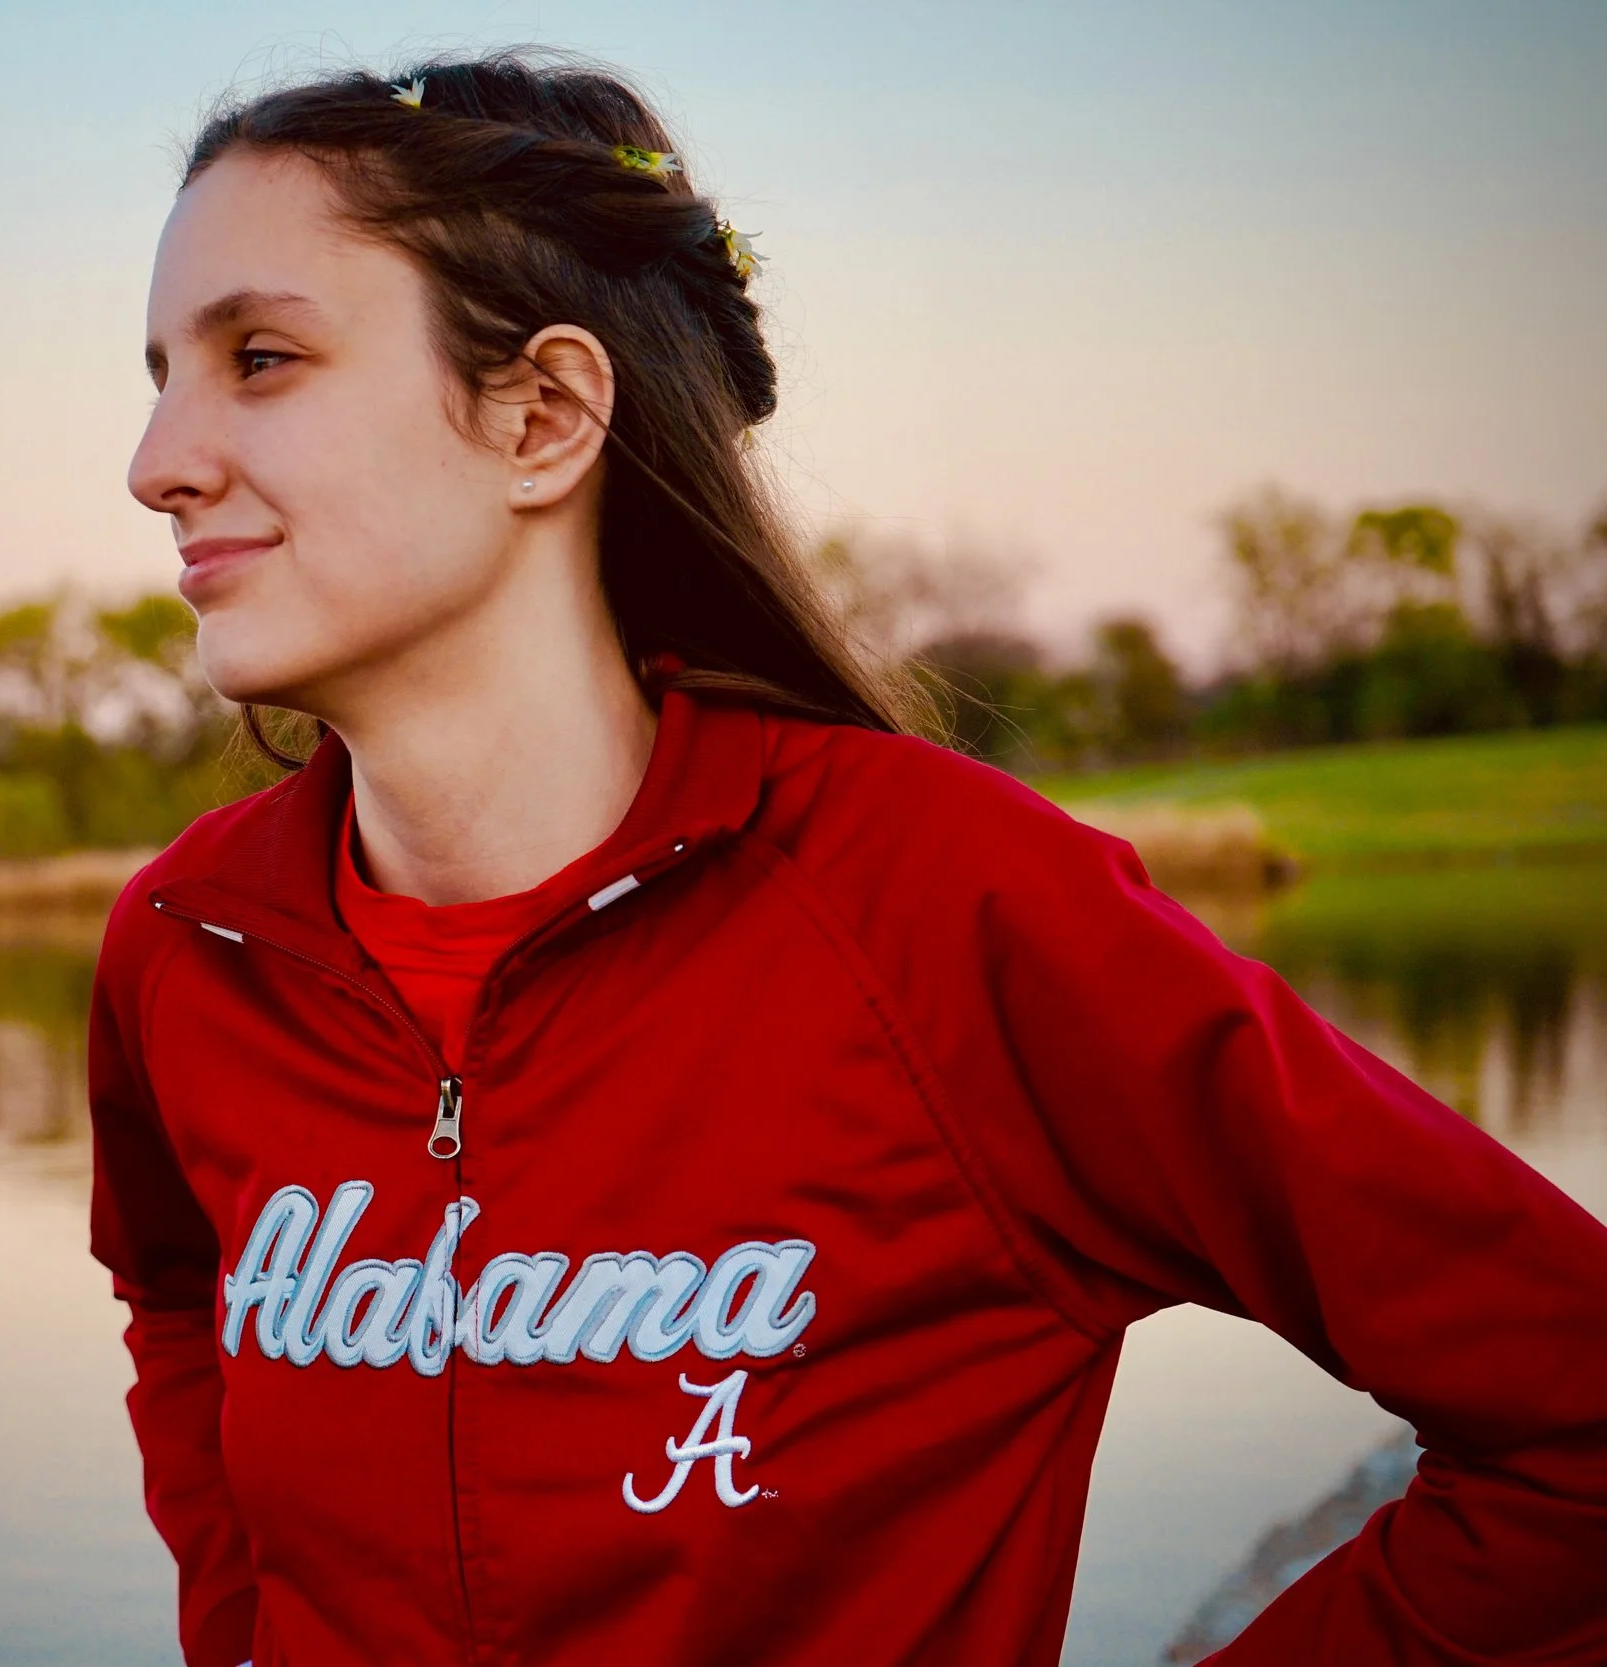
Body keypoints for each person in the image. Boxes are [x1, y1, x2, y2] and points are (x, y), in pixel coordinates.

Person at [89, 51, 1607, 1667]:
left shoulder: (950, 911)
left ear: (543, 416)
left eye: (260, 359)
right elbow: (178, 1300)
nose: (156, 460)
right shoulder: (191, 943)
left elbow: (1572, 1408)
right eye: (163, 374)